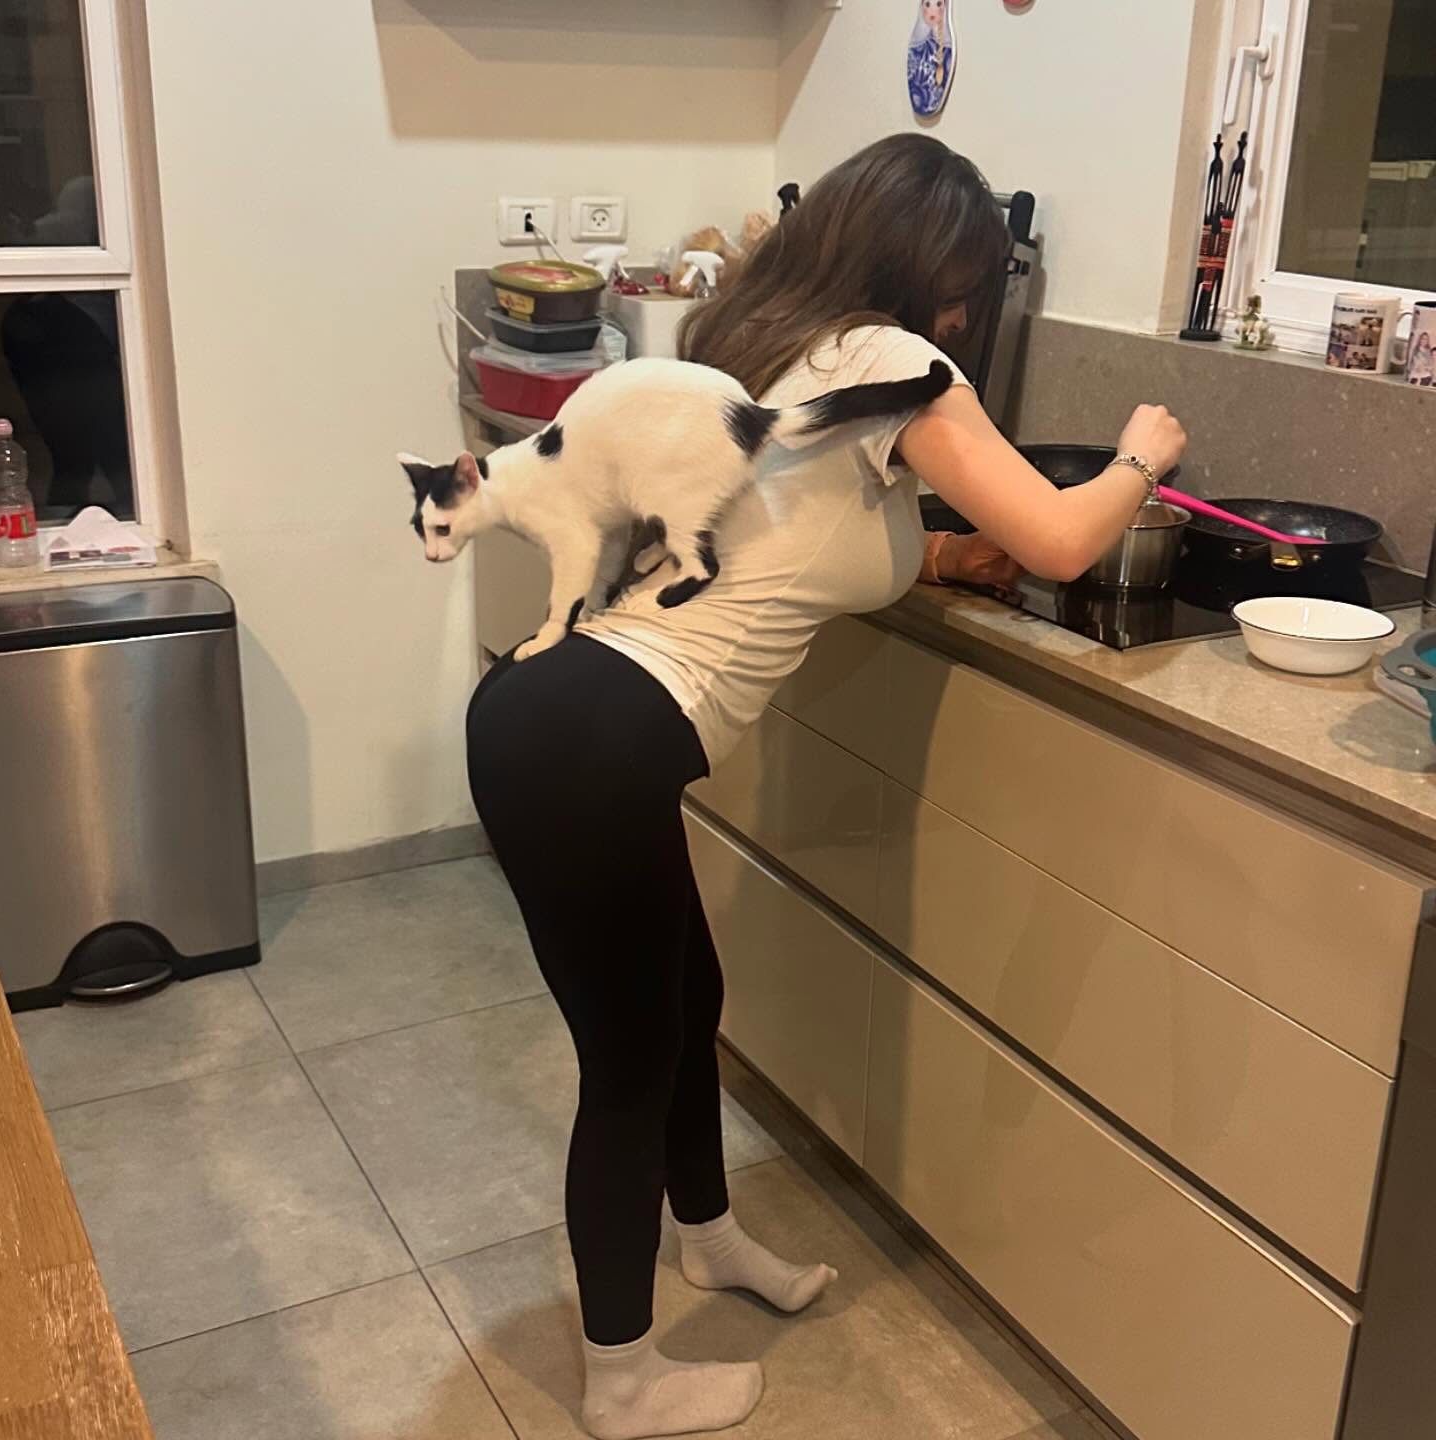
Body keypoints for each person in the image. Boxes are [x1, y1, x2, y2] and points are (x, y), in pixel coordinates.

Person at [465, 133, 1186, 1440]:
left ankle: (709, 1242)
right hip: (594, 742)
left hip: (560, 714)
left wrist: (938, 559)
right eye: (965, 288)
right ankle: (622, 1384)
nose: (964, 315)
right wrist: (1142, 455)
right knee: (629, 1066)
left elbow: (789, 539)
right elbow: (1065, 538)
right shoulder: (898, 362)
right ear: (935, 273)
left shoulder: (770, 344)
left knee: (687, 1000)